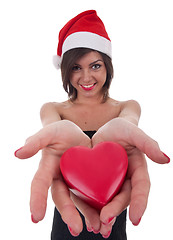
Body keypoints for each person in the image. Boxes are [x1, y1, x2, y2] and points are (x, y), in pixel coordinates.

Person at [14, 10, 170, 239]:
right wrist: (51, 136)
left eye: (95, 66)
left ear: (107, 66)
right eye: (76, 67)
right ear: (66, 71)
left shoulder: (126, 107)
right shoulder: (53, 109)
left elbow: (128, 123)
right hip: (68, 219)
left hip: (112, 219)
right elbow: (50, 129)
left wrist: (123, 130)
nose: (86, 77)